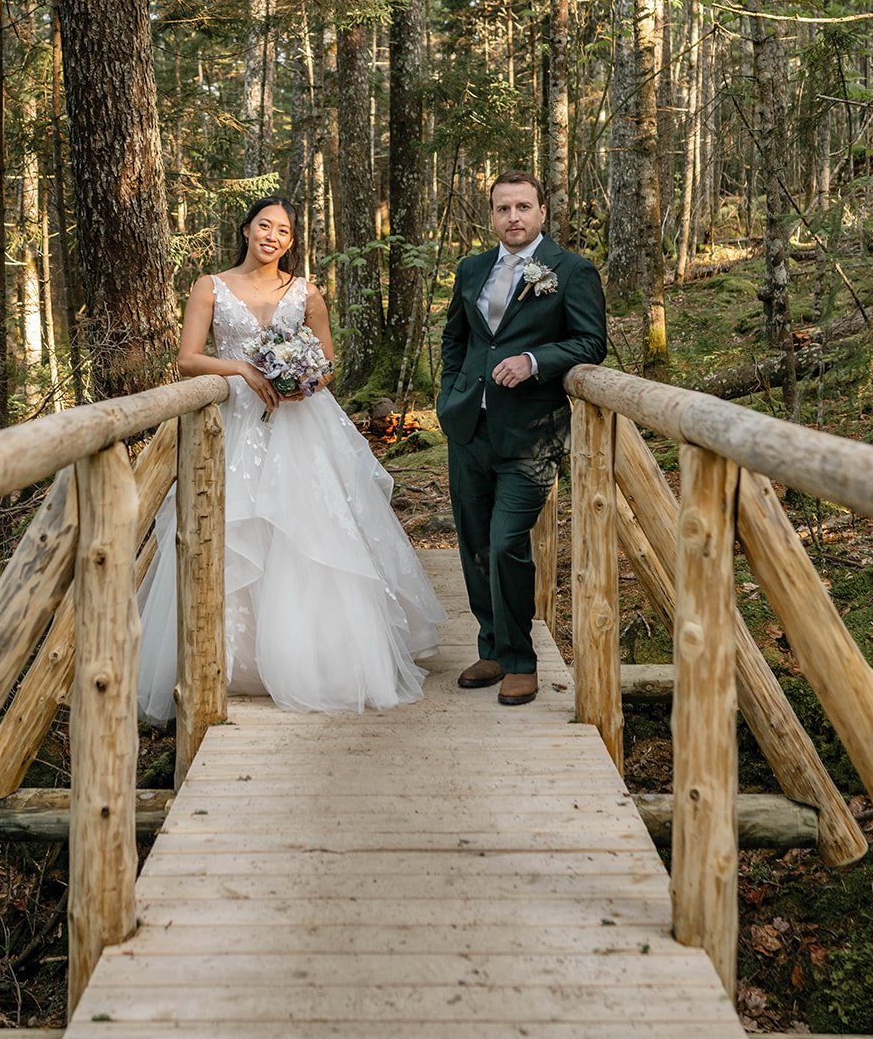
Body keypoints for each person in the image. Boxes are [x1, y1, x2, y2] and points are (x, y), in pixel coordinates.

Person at [137, 195, 446, 719]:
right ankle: (229, 662)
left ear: (291, 241)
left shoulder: (306, 292)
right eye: (264, 226)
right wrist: (244, 370)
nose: (272, 236)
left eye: (282, 230)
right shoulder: (210, 286)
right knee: (235, 527)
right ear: (246, 229)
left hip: (301, 425)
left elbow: (327, 362)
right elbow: (188, 358)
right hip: (235, 422)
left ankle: (315, 659)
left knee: (309, 531)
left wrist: (303, 381)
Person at [437, 171, 607, 706]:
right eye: (503, 208)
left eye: (523, 207)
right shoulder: (472, 269)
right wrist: (449, 393)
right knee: (475, 544)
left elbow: (590, 342)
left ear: (542, 212)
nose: (513, 217)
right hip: (470, 429)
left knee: (507, 542)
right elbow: (455, 337)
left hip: (532, 432)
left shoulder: (571, 270)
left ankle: (520, 661)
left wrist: (534, 361)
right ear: (492, 215)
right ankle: (490, 647)